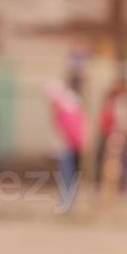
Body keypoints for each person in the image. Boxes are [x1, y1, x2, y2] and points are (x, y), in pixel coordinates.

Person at [45, 76, 85, 214]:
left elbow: (68, 132)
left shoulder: (64, 111)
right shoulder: (71, 107)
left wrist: (73, 143)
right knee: (69, 176)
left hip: (69, 147)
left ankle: (67, 204)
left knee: (67, 176)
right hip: (73, 146)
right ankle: (68, 204)